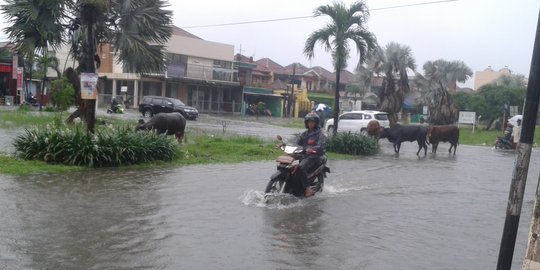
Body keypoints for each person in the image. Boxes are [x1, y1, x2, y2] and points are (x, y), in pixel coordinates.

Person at [296, 112, 327, 197]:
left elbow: (321, 145)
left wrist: (313, 149)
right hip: (305, 155)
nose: (310, 123)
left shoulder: (320, 133)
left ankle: (307, 189)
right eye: (309, 122)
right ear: (306, 123)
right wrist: (285, 145)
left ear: (316, 123)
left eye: (312, 122)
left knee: (301, 167)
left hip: (315, 157)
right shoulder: (305, 134)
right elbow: (297, 143)